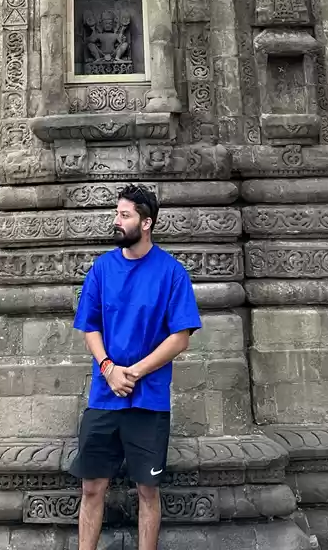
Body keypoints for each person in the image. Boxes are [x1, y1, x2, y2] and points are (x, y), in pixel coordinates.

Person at [72, 185, 202, 550]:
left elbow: (180, 337)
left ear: (146, 223)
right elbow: (90, 326)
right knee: (92, 487)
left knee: (147, 490)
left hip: (148, 401)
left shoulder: (172, 273)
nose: (117, 221)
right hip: (104, 396)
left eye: (124, 215)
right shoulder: (102, 269)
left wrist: (135, 373)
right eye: (117, 213)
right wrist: (109, 368)